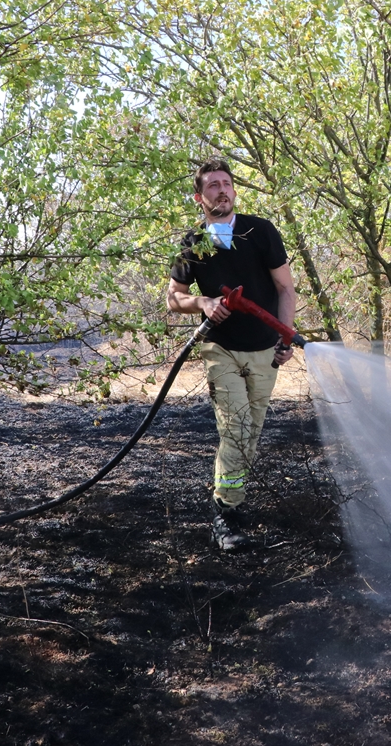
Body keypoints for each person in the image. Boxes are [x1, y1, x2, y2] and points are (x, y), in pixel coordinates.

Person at [167, 157, 297, 551]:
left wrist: (286, 338)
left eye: (226, 184)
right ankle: (223, 514)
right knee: (236, 427)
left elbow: (285, 289)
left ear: (234, 191)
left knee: (249, 433)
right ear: (199, 197)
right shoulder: (194, 242)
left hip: (265, 350)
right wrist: (203, 303)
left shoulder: (260, 231)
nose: (222, 191)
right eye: (213, 185)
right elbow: (173, 299)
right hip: (219, 347)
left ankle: (233, 502)